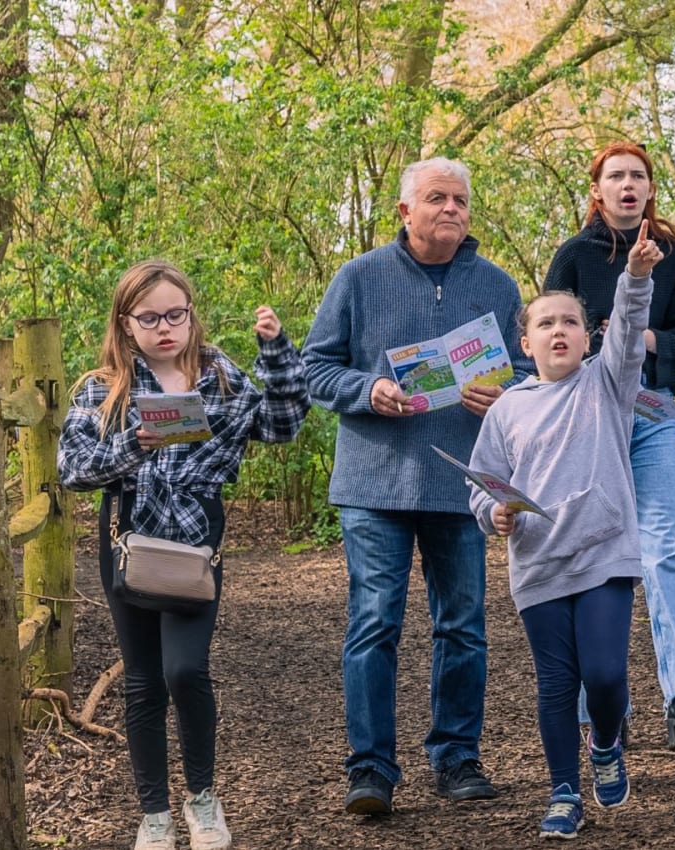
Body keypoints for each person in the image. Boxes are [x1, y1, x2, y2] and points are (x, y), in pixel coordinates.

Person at [302, 157, 529, 815]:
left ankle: (457, 758)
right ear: (406, 211)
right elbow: (316, 369)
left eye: (461, 199)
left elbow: (523, 374)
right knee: (376, 622)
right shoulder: (359, 278)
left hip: (463, 483)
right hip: (374, 484)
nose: (452, 209)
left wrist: (505, 396)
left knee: (463, 626)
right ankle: (370, 770)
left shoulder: (496, 285)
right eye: (437, 198)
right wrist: (366, 388)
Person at [60, 260, 307, 850]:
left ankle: (202, 799)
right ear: (126, 323)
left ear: (191, 315)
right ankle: (154, 816)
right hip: (128, 538)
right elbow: (72, 471)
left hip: (197, 538)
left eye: (176, 314)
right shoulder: (103, 387)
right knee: (144, 682)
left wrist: (275, 352)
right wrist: (132, 445)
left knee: (186, 670)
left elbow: (280, 425)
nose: (165, 327)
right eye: (150, 318)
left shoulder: (220, 375)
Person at [468, 223, 664, 840]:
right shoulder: (507, 409)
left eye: (570, 322)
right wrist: (491, 512)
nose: (559, 330)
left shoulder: (608, 384)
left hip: (605, 551)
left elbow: (630, 334)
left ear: (588, 337)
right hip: (537, 563)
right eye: (545, 323)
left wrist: (635, 278)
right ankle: (563, 791)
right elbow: (483, 481)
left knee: (604, 675)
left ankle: (605, 740)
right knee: (556, 683)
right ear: (525, 343)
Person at [542, 141, 675, 750]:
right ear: (598, 189)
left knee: (664, 546)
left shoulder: (674, 257)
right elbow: (551, 332)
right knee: (596, 552)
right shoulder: (573, 255)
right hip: (590, 420)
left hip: (653, 413)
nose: (627, 185)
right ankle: (603, 710)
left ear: (649, 190)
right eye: (616, 176)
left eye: (638, 177)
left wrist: (645, 339)